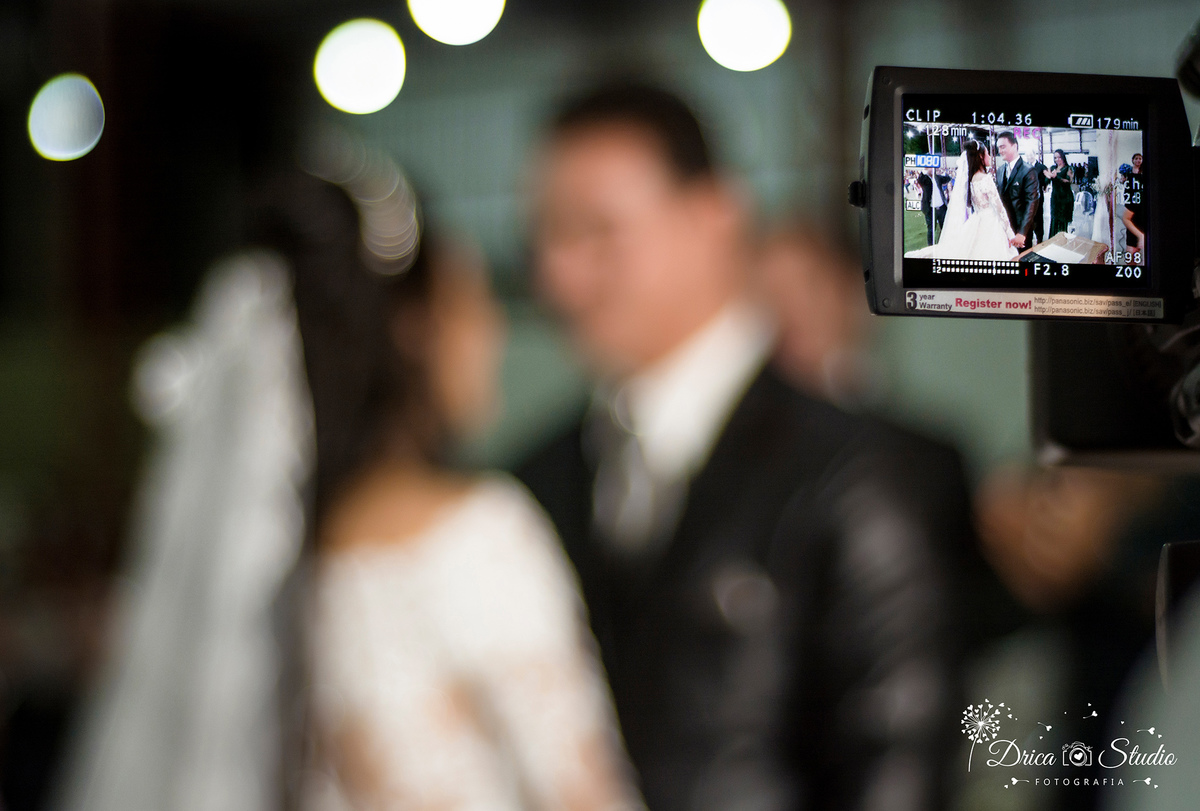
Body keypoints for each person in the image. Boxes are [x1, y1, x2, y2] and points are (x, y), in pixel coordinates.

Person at [518, 79, 966, 811]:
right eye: (543, 235)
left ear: (713, 215)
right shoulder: (538, 477)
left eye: (596, 230)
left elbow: (899, 770)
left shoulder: (855, 475)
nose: (558, 274)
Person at [257, 144, 641, 811]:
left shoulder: (272, 554)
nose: (492, 332)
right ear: (414, 329)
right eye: (472, 301)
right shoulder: (480, 532)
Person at [909, 139, 1018, 261]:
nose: (990, 156)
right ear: (981, 157)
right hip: (990, 222)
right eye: (987, 153)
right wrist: (1009, 233)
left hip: (977, 220)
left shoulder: (971, 179)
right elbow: (1000, 209)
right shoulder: (985, 179)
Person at [995, 130, 1041, 250]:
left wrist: (1022, 232)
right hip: (1004, 229)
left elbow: (1032, 202)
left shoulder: (1028, 170)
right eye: (998, 148)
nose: (1000, 151)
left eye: (1003, 147)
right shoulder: (1000, 171)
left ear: (1014, 146)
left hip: (1021, 231)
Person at [916, 167, 953, 245]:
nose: (932, 169)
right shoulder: (925, 179)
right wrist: (924, 170)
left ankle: (944, 244)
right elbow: (920, 180)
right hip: (930, 209)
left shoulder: (938, 178)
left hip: (942, 207)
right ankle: (931, 247)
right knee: (931, 230)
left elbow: (947, 178)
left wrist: (948, 173)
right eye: (930, 168)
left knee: (944, 227)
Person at [1045, 148, 1075, 238]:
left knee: (1063, 221)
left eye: (1059, 157)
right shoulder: (1053, 168)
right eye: (1055, 158)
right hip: (1055, 198)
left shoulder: (1068, 168)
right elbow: (1047, 180)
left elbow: (1069, 181)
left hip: (1065, 198)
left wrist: (1056, 176)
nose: (1057, 160)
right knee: (1054, 219)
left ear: (1063, 157)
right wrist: (1048, 176)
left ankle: (1062, 241)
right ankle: (1053, 241)